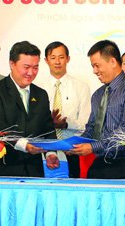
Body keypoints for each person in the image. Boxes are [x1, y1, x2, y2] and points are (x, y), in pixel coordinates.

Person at [0, 41, 58, 177]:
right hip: (1, 170)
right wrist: (25, 145)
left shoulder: (41, 94)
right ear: (12, 64)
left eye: (35, 67)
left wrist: (51, 153)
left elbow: (47, 128)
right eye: (26, 67)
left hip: (33, 172)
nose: (31, 73)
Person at [70, 40, 125, 180]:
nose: (94, 71)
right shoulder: (98, 95)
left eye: (97, 65)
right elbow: (91, 129)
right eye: (93, 66)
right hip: (99, 165)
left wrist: (92, 147)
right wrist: (71, 145)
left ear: (113, 62)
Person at [38, 41, 91, 178]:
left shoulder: (81, 87)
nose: (57, 61)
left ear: (68, 59)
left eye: (61, 57)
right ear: (46, 60)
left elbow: (86, 124)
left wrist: (66, 124)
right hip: (43, 150)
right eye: (53, 57)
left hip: (72, 151)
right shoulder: (37, 88)